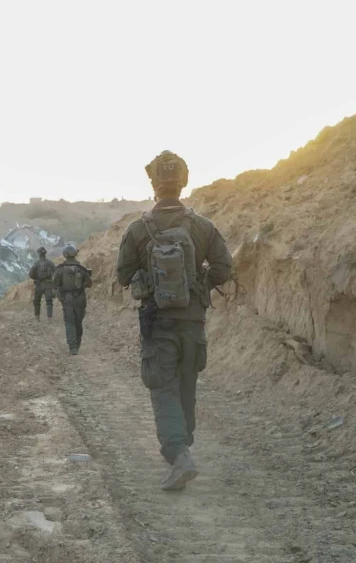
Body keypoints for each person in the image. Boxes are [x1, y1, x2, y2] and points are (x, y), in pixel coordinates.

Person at [115, 151, 232, 491]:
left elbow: (123, 275)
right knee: (185, 386)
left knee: (162, 388)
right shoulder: (203, 226)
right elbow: (224, 270)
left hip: (158, 324)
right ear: (183, 182)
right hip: (193, 323)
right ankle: (183, 446)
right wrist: (197, 282)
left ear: (153, 184)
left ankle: (178, 454)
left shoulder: (139, 229)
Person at [53, 244, 92, 355]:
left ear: (65, 255)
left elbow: (54, 283)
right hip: (80, 298)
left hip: (67, 298)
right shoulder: (82, 269)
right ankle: (77, 343)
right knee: (78, 321)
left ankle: (72, 347)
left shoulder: (59, 269)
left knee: (69, 322)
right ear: (75, 254)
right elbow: (89, 283)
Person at [28, 246, 56, 320]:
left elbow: (31, 274)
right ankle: (49, 318)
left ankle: (37, 317)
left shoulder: (36, 263)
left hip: (39, 284)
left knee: (37, 301)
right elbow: (56, 272)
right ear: (45, 254)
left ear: (39, 254)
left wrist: (36, 278)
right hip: (48, 284)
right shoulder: (50, 263)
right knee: (49, 302)